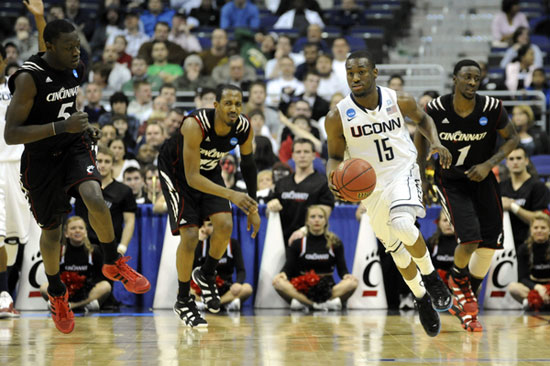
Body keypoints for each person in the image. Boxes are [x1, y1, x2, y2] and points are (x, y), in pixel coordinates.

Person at [4, 19, 150, 334]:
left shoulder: (76, 68)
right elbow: (11, 134)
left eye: (77, 46)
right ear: (50, 47)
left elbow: (65, 101)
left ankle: (111, 261)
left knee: (96, 197)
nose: (76, 52)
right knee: (53, 231)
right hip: (40, 160)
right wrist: (61, 126)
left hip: (74, 146)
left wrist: (78, 126)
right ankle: (57, 293)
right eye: (69, 47)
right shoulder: (28, 79)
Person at [325, 50, 453, 337]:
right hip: (370, 187)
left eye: (361, 71)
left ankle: (432, 279)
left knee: (403, 223)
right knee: (396, 249)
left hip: (402, 170)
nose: (355, 77)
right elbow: (333, 156)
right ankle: (421, 299)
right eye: (350, 73)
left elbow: (424, 119)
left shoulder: (399, 99)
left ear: (374, 72)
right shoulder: (336, 116)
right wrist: (332, 177)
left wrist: (435, 142)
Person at [417, 59, 519, 332]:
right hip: (451, 181)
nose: (473, 82)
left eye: (477, 78)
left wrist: (489, 164)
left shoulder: (492, 108)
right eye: (467, 78)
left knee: (490, 244)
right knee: (471, 237)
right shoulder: (437, 108)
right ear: (455, 79)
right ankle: (457, 280)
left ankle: (465, 300)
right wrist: (421, 176)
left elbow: (512, 138)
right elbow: (419, 134)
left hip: (483, 179)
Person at [158, 84, 260, 327]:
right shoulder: (195, 124)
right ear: (216, 105)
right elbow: (192, 178)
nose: (233, 108)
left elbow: (248, 165)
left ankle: (206, 273)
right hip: (177, 174)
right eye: (228, 103)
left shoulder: (244, 127)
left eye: (238, 104)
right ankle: (183, 300)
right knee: (191, 235)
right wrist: (233, 194)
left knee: (225, 224)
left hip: (209, 170)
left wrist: (252, 207)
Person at [272, 205, 358, 311]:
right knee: (277, 282)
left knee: (353, 283)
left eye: (320, 217)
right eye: (312, 217)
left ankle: (305, 304)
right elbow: (288, 268)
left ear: (325, 221)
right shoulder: (298, 243)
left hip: (328, 290)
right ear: (307, 221)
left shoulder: (335, 242)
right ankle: (318, 305)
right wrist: (282, 274)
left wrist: (347, 276)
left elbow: (342, 269)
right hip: (303, 289)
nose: (316, 220)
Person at [267, 138, 333, 246]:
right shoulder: (281, 183)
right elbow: (269, 212)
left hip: (310, 242)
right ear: (292, 156)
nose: (302, 155)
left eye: (306, 152)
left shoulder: (323, 183)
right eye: (298, 152)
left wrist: (303, 231)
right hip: (281, 241)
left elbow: (324, 214)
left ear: (314, 155)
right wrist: (270, 207)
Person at [39, 216, 112, 312]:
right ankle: (78, 305)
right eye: (73, 228)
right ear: (66, 233)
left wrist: (84, 287)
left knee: (106, 286)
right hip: (66, 291)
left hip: (87, 292)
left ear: (86, 232)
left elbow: (101, 277)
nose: (77, 231)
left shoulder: (94, 251)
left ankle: (73, 306)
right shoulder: (60, 251)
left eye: (81, 228)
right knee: (44, 287)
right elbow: (52, 273)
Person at [191, 220, 253, 311]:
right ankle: (210, 303)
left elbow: (241, 270)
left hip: (225, 288)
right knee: (183, 290)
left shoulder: (232, 244)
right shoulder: (202, 244)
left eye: (210, 225)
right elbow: (193, 270)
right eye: (203, 226)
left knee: (247, 288)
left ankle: (217, 304)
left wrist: (238, 283)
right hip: (205, 288)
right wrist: (198, 242)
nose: (206, 228)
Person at [501, 147, 550, 248]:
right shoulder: (500, 186)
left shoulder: (538, 186)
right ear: (506, 162)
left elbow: (540, 219)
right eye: (511, 159)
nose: (515, 162)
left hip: (528, 243)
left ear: (526, 161)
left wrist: (513, 206)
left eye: (519, 158)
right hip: (505, 242)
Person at [508, 212, 550, 310]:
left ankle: (536, 303)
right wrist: (538, 287)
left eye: (543, 228)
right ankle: (534, 301)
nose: (539, 231)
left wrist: (547, 290)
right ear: (531, 230)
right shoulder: (524, 248)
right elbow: (522, 278)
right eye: (536, 228)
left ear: (549, 229)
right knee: (513, 287)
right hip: (533, 288)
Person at [427, 210, 458, 286]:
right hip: (436, 287)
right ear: (439, 223)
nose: (448, 224)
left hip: (457, 286)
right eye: (445, 220)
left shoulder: (464, 244)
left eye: (451, 221)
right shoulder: (431, 243)